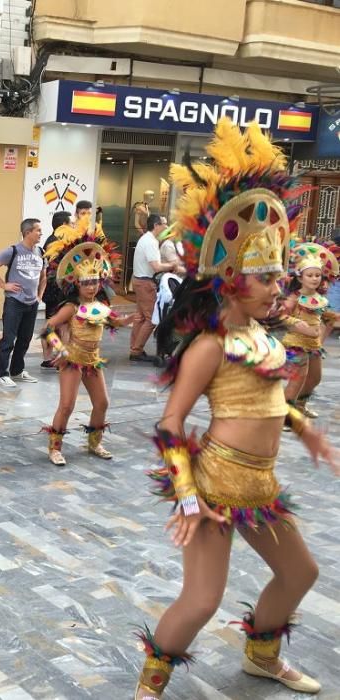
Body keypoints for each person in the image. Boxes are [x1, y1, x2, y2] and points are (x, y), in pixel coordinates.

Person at [134, 119, 338, 699]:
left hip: (262, 484)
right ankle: (148, 688)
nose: (280, 284)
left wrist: (307, 431)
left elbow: (273, 398)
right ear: (229, 279)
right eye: (266, 275)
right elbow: (171, 423)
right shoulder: (209, 345)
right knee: (202, 599)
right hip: (216, 485)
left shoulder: (264, 335)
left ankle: (261, 655)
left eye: (279, 274)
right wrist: (189, 499)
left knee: (301, 573)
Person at [40, 231, 131, 466]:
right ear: (77, 284)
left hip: (93, 360)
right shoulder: (71, 307)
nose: (91, 287)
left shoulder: (100, 306)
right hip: (71, 360)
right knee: (67, 405)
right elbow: (47, 327)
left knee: (102, 403)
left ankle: (94, 443)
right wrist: (60, 348)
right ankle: (55, 448)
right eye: (86, 283)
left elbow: (115, 321)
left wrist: (132, 320)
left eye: (95, 282)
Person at [279, 240, 339, 419]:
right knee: (297, 380)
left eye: (318, 275)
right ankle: (284, 416)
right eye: (310, 275)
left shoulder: (319, 298)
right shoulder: (294, 297)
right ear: (299, 278)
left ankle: (299, 406)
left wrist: (331, 318)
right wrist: (296, 323)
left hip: (313, 345)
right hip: (295, 343)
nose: (315, 278)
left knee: (315, 378)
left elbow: (323, 316)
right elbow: (280, 316)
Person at [0, 218, 45, 388]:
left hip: (32, 303)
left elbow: (43, 276)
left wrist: (39, 295)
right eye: (38, 230)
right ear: (27, 233)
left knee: (25, 339)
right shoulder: (12, 251)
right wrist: (4, 285)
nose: (40, 233)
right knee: (9, 339)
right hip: (14, 302)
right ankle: (2, 374)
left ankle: (17, 371)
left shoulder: (41, 252)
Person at [129, 213, 182, 362]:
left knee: (140, 317)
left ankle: (134, 348)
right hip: (145, 283)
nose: (166, 226)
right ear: (156, 225)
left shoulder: (146, 239)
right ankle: (136, 351)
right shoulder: (151, 242)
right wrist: (172, 265)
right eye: (164, 223)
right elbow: (156, 266)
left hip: (140, 281)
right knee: (151, 318)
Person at [40, 211, 71, 369]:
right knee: (63, 325)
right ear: (63, 225)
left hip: (51, 289)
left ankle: (47, 358)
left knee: (51, 323)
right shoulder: (61, 242)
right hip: (60, 289)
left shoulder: (49, 240)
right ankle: (61, 358)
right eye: (69, 223)